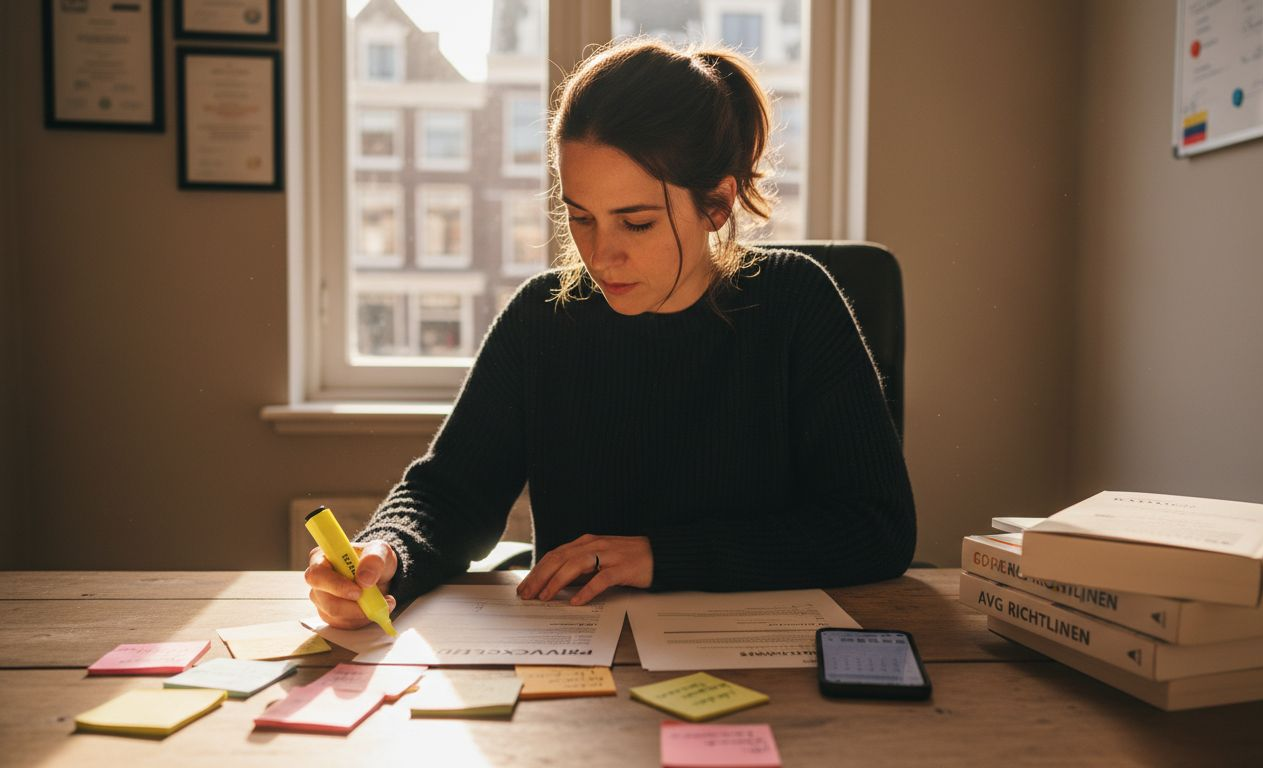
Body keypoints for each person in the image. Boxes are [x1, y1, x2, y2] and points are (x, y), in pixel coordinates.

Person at [306, 37, 916, 630]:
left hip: (767, 670)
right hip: (579, 669)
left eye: (638, 223)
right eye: (581, 218)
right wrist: (386, 553)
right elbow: (449, 498)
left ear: (718, 204)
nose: (601, 256)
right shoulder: (542, 318)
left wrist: (659, 556)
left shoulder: (796, 303)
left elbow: (875, 528)